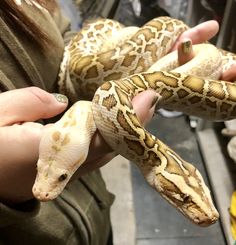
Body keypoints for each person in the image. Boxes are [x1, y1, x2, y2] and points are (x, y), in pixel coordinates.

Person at [0, 1, 235, 244]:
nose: (206, 216)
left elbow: (61, 39)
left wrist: (80, 75)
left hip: (95, 213)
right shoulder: (126, 129)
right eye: (186, 199)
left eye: (187, 199)